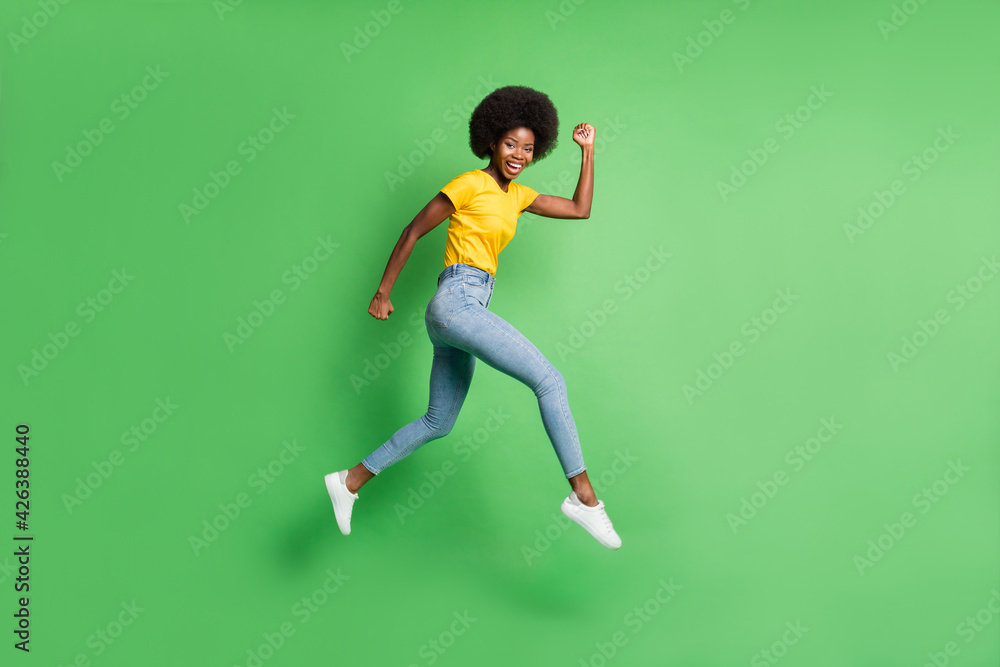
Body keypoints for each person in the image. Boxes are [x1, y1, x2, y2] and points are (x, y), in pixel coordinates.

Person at [324, 85, 621, 549]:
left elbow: (580, 210)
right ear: (490, 141)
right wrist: (383, 292)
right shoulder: (469, 183)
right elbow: (413, 230)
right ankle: (584, 497)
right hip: (456, 300)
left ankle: (348, 482)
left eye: (527, 147)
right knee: (550, 381)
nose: (518, 154)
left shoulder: (519, 195)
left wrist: (588, 152)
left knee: (438, 422)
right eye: (510, 144)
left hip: (467, 309)